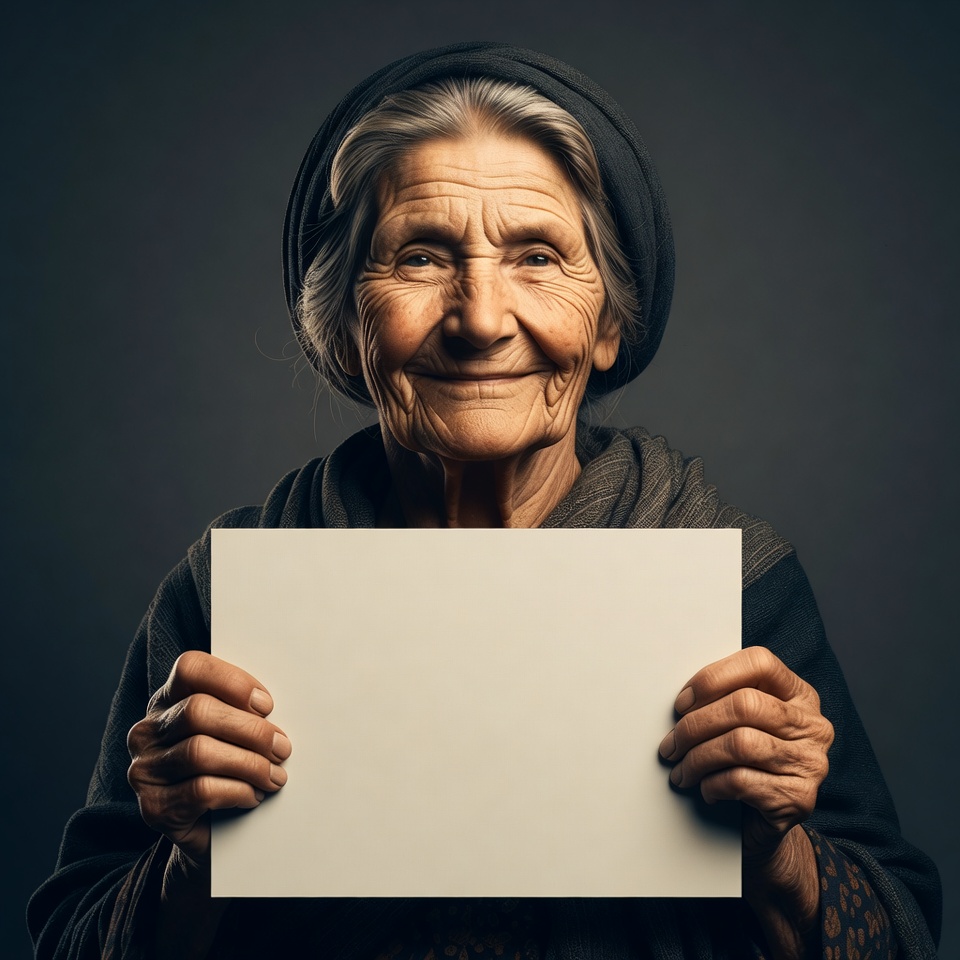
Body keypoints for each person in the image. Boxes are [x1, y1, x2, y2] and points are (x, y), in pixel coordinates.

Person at [28, 42, 940, 960]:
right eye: (421, 257)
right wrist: (192, 859)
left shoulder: (735, 580)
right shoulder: (227, 593)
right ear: (345, 325)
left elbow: (899, 937)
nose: (480, 320)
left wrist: (777, 850)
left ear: (610, 322)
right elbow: (72, 940)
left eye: (537, 257)